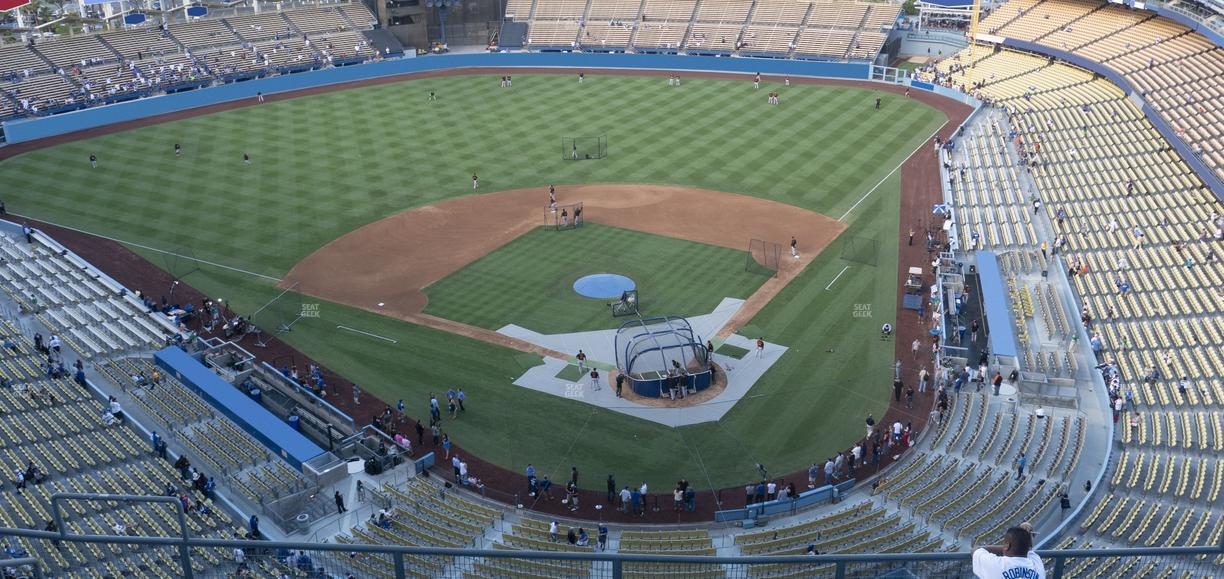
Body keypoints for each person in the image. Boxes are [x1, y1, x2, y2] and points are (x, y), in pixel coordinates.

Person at [972, 523, 1044, 578]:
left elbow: (975, 550)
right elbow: (1028, 548)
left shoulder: (995, 564)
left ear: (1007, 545)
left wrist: (1007, 546)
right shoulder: (1037, 565)